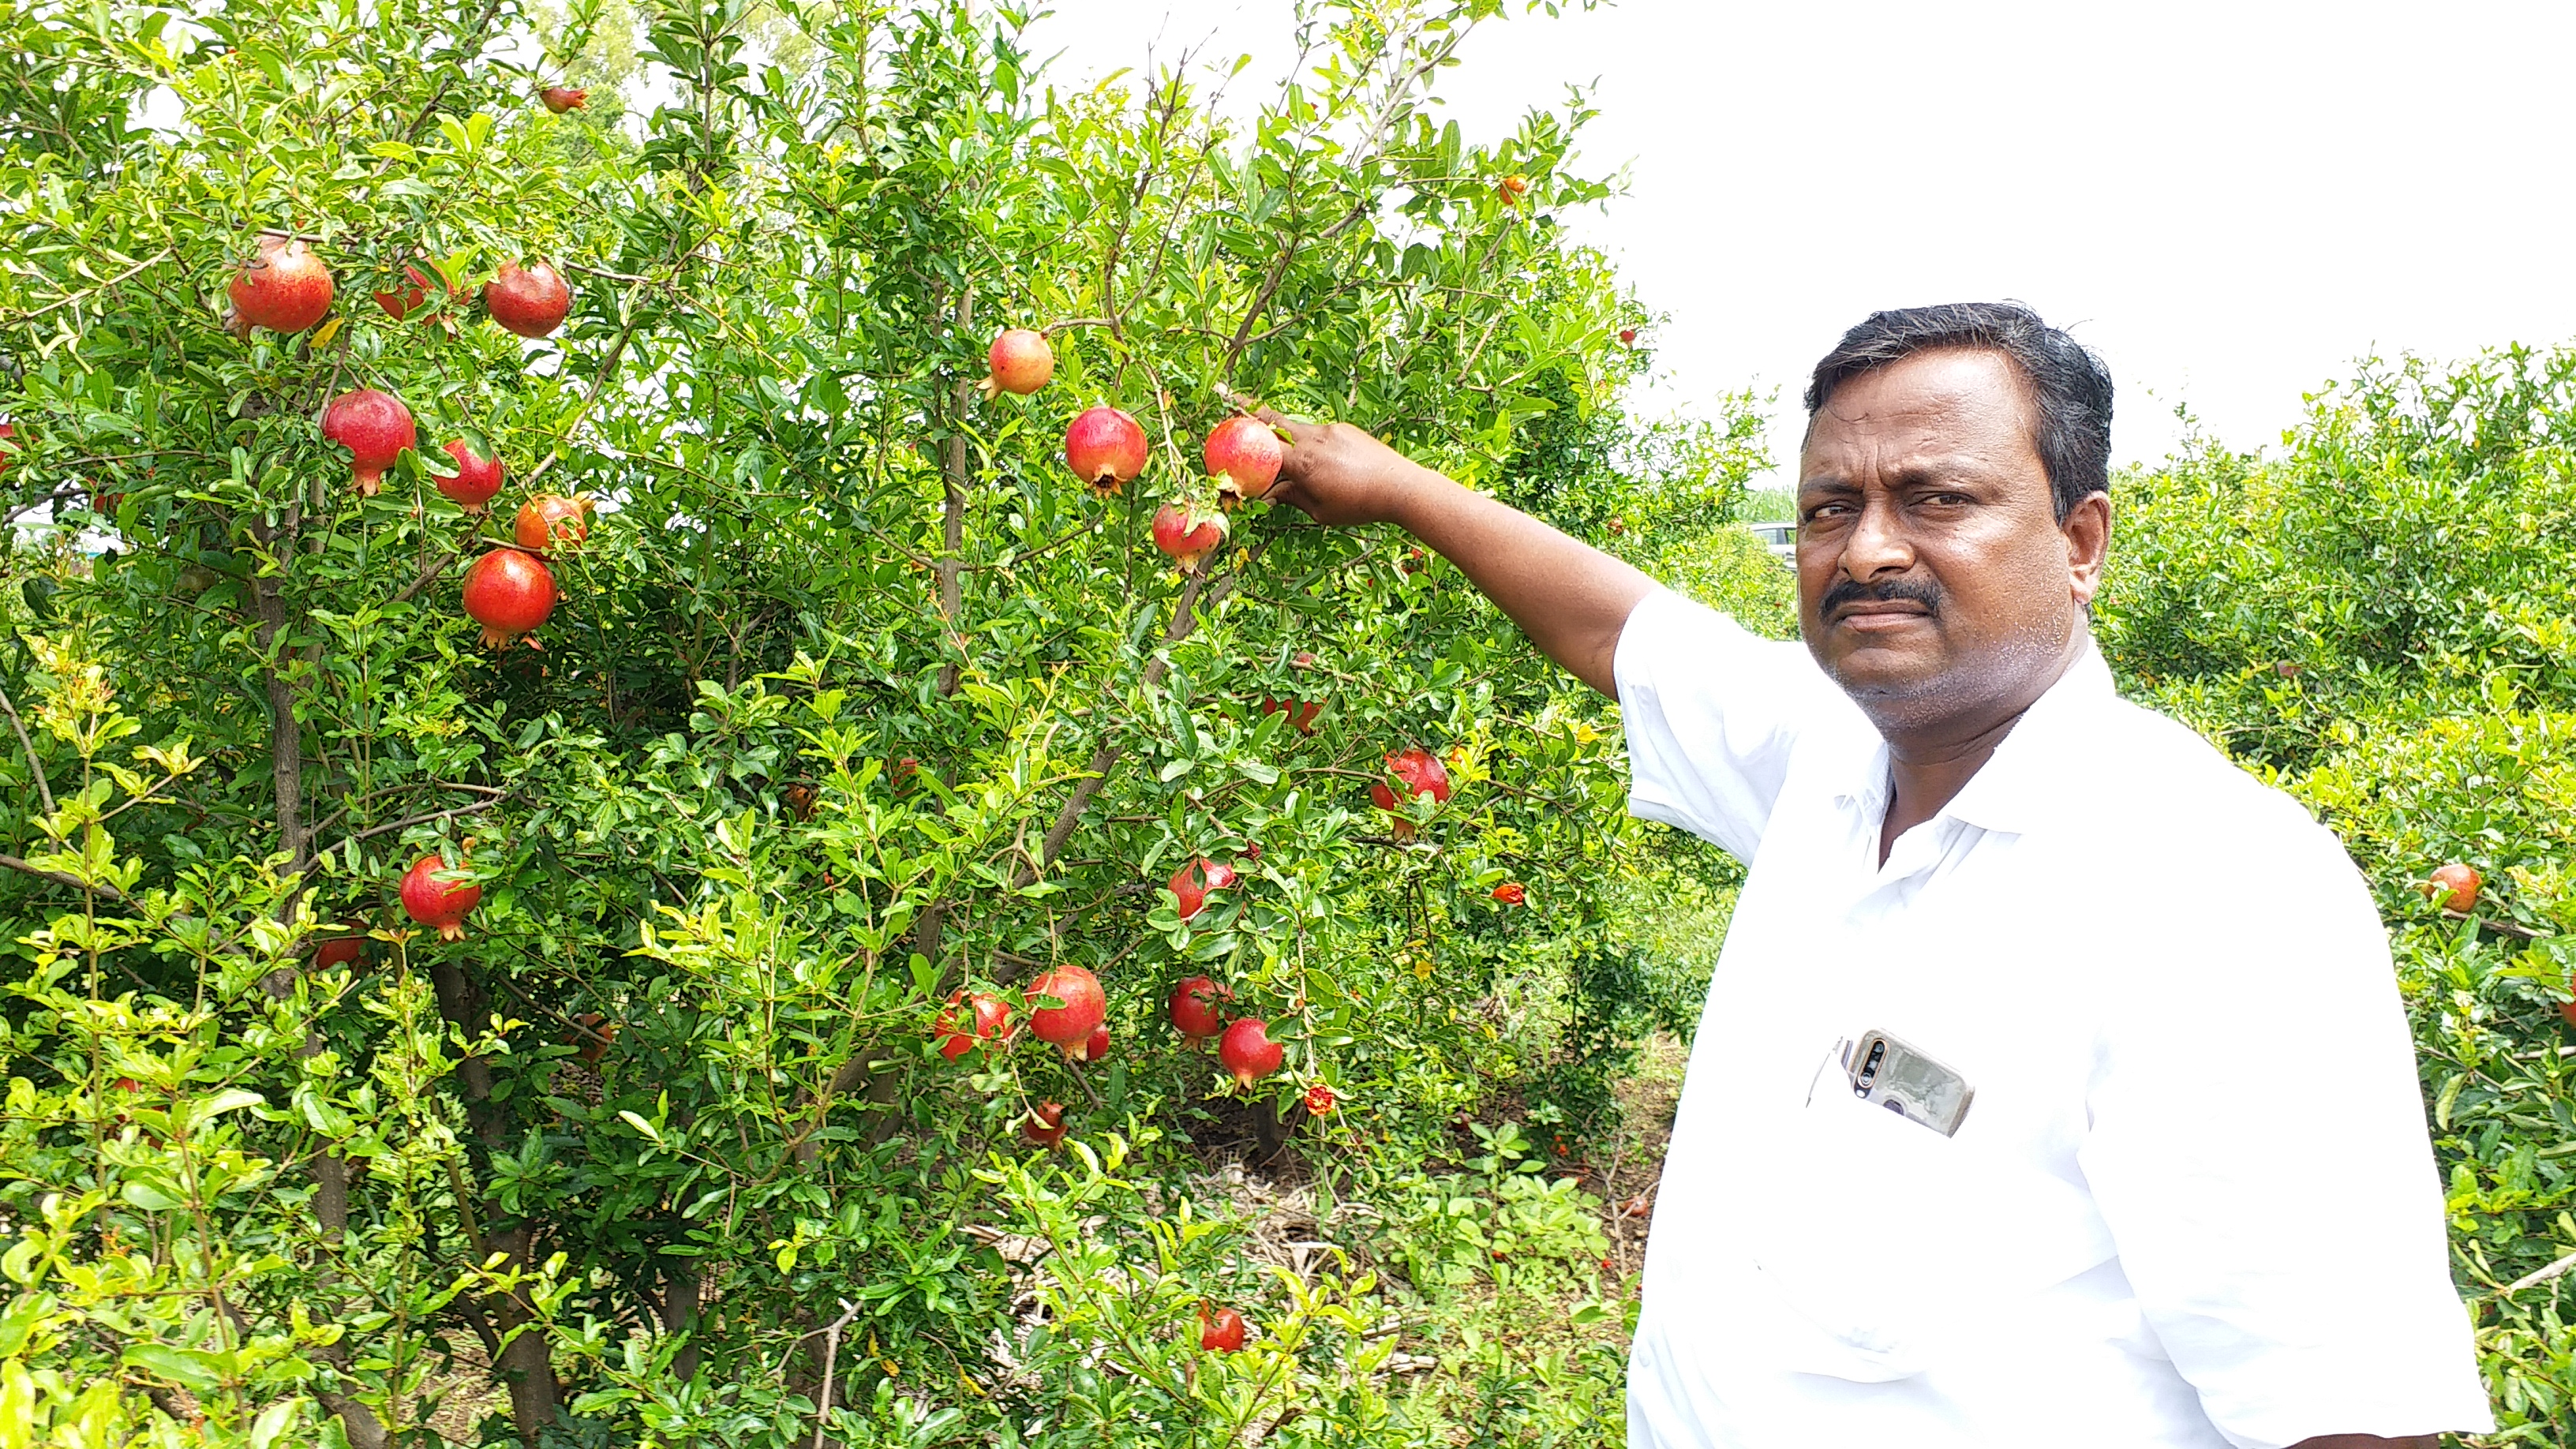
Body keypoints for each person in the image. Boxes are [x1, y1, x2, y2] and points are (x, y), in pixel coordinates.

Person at [1263, 301, 2492, 1449]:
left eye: (1938, 498)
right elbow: (1621, 631)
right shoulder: (1835, 764)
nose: (1869, 551)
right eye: (1826, 508)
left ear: (2080, 541)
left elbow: (2346, 1410)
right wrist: (1392, 486)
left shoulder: (2215, 894)